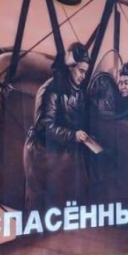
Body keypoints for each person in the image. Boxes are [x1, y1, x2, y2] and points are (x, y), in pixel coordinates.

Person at [23, 43, 92, 214]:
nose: (83, 76)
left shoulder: (78, 92)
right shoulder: (51, 90)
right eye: (81, 71)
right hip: (42, 156)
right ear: (70, 67)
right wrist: (73, 135)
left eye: (85, 72)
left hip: (62, 155)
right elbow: (45, 127)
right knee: (39, 209)